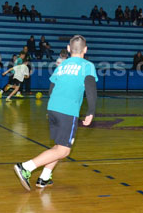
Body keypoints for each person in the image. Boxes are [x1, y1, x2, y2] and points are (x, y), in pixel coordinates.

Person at [13, 35, 97, 191]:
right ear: (85, 49)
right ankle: (26, 167)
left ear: (68, 48)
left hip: (53, 107)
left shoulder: (62, 65)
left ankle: (44, 177)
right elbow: (90, 89)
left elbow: (51, 88)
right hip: (68, 110)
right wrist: (91, 111)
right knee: (64, 150)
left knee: (59, 146)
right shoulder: (87, 65)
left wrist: (55, 106)